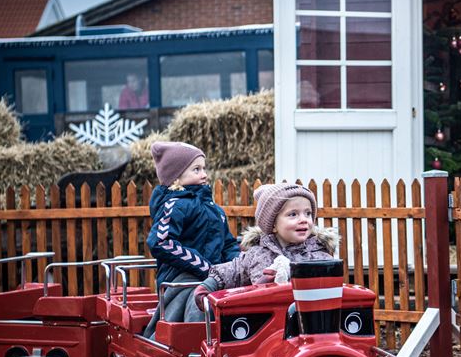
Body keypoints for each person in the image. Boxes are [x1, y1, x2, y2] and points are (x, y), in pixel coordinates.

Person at [188, 183, 339, 321]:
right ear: (272, 224)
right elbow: (231, 271)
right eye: (293, 214)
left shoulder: (319, 255)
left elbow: (329, 291)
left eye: (308, 213)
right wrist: (209, 285)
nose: (304, 219)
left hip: (306, 324)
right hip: (261, 325)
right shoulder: (257, 253)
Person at [143, 141, 239, 335]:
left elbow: (228, 243)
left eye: (204, 168)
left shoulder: (215, 210)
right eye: (196, 169)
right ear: (176, 177)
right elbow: (161, 242)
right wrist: (204, 267)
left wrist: (237, 266)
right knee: (198, 303)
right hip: (182, 279)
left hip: (214, 277)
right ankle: (193, 343)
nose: (204, 174)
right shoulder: (175, 205)